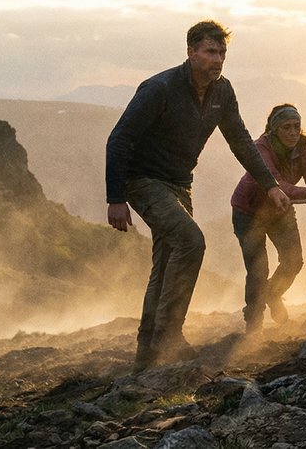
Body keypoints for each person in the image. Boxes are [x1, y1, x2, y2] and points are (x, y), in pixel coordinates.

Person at [105, 20, 287, 371]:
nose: (217, 60)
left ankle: (147, 354)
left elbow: (240, 141)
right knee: (191, 241)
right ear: (191, 52)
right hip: (142, 179)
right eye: (209, 52)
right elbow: (119, 139)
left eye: (222, 53)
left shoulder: (222, 92)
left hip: (178, 184)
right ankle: (170, 335)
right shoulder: (160, 88)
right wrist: (115, 197)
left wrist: (270, 185)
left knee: (167, 261)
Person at [231, 104, 306, 334]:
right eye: (287, 127)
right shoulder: (260, 149)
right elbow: (275, 184)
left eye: (297, 126)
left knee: (294, 260)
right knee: (258, 269)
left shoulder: (303, 148)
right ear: (274, 129)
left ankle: (273, 295)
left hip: (280, 211)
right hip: (249, 212)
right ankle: (253, 324)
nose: (293, 132)